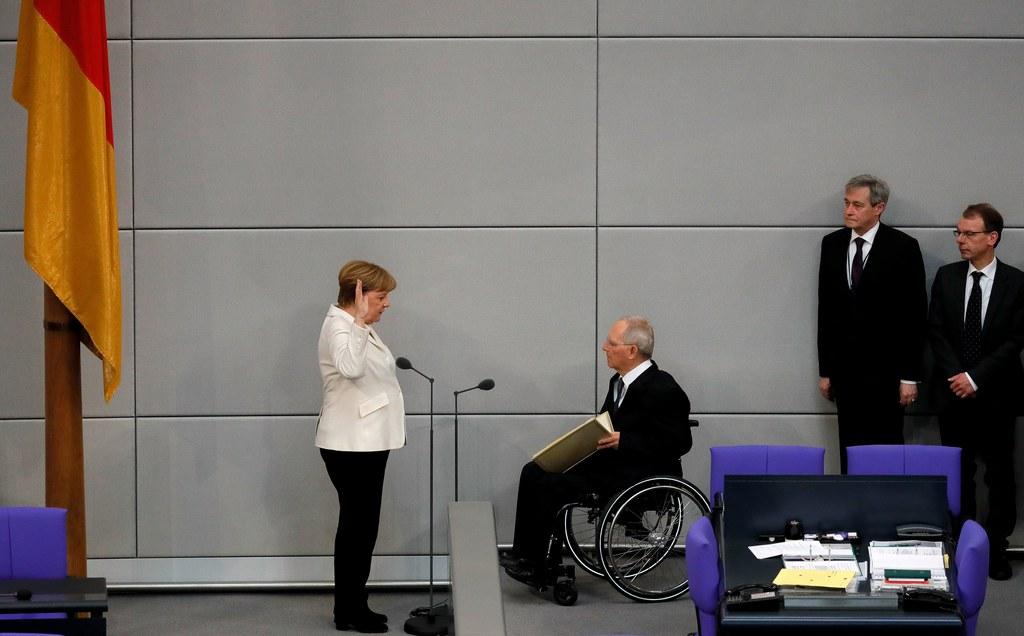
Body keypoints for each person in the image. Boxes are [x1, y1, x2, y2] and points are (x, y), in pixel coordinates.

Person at [502, 316, 693, 584]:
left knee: (553, 485)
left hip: (638, 472)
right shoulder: (618, 382)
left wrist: (624, 440)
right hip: (612, 463)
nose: (604, 347)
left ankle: (538, 565)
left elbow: (680, 441)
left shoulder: (663, 387)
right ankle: (525, 555)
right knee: (534, 471)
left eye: (611, 343)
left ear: (631, 350)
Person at [928, 203, 1024, 581]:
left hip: (998, 394)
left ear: (992, 237)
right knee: (958, 473)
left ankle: (995, 548)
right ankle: (961, 544)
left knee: (999, 475)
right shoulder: (947, 277)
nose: (960, 241)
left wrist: (976, 377)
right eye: (958, 233)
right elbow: (935, 330)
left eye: (968, 234)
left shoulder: (1017, 283)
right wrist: (958, 376)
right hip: (953, 394)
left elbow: (1016, 339)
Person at [817, 174, 927, 473]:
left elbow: (914, 315)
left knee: (885, 449)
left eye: (857, 204)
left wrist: (909, 376)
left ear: (879, 208)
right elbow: (826, 312)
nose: (848, 211)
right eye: (846, 203)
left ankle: (885, 513)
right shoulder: (833, 245)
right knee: (849, 448)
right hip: (846, 371)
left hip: (887, 373)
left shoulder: (902, 247)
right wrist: (826, 369)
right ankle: (850, 514)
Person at [316, 260, 404, 633]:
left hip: (366, 441)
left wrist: (360, 323)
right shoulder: (341, 327)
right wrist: (356, 322)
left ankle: (355, 602)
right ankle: (348, 610)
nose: (387, 304)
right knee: (356, 527)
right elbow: (351, 369)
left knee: (363, 527)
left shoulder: (358, 327)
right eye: (381, 297)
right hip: (350, 444)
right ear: (359, 294)